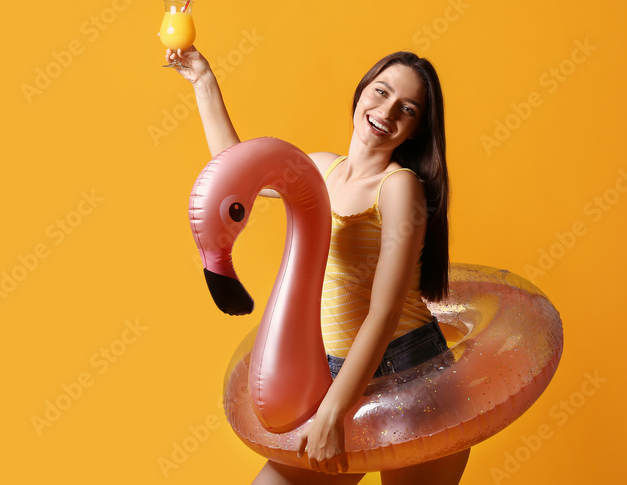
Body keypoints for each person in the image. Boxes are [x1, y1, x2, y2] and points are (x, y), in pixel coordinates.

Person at [167, 46, 469, 485]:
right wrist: (202, 80)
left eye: (406, 108)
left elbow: (383, 314)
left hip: (410, 373)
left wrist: (332, 411)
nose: (386, 111)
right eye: (380, 92)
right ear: (361, 91)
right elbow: (238, 165)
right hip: (338, 369)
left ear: (415, 128)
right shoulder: (324, 171)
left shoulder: (400, 188)